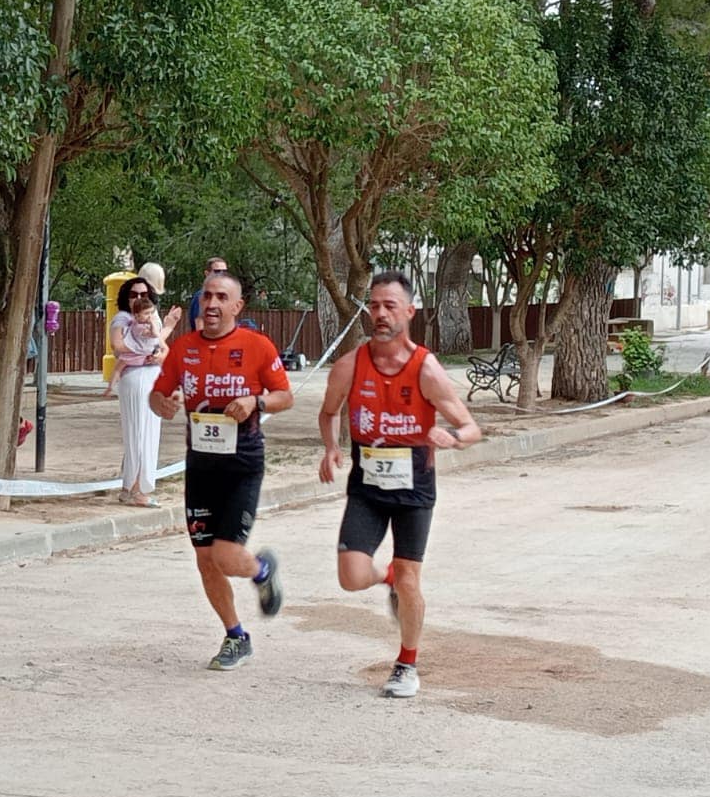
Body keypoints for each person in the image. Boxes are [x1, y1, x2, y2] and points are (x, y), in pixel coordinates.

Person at [317, 272, 482, 699]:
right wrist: (331, 448)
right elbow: (328, 411)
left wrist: (453, 438)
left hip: (414, 488)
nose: (381, 314)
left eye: (390, 306)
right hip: (368, 487)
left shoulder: (425, 368)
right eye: (374, 306)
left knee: (411, 581)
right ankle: (386, 574)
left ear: (410, 312)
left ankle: (407, 664)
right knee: (351, 577)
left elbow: (470, 428)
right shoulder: (351, 365)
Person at [151, 272, 293, 670]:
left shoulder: (257, 346)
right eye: (207, 296)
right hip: (200, 468)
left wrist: (255, 402)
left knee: (227, 556)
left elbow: (285, 396)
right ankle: (236, 636)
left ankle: (262, 569)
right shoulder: (184, 348)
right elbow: (158, 394)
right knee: (205, 560)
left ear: (237, 306)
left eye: (221, 297)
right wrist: (161, 404)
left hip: (242, 465)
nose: (211, 304)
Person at [109, 273, 181, 507]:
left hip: (152, 377)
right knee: (140, 433)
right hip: (136, 377)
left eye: (143, 294)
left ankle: (129, 486)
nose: (138, 298)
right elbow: (118, 346)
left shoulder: (151, 318)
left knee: (144, 431)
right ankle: (137, 490)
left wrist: (158, 353)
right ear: (125, 297)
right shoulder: (123, 319)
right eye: (133, 294)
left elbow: (164, 348)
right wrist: (144, 356)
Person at [188, 257, 229, 332]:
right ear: (207, 274)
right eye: (217, 271)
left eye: (224, 271)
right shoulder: (203, 296)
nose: (222, 274)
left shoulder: (225, 296)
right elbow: (200, 327)